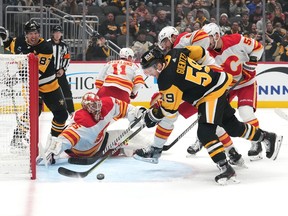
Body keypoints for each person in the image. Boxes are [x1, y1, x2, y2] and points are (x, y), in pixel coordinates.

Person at [133, 47, 283, 184]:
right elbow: (200, 52)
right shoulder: (175, 53)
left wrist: (150, 117)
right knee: (232, 126)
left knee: (205, 133)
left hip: (209, 94)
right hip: (218, 81)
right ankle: (267, 137)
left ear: (158, 66)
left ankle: (226, 169)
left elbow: (169, 110)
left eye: (149, 70)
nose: (148, 74)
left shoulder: (167, 80)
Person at [157, 26, 245, 166]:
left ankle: (229, 151)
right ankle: (231, 151)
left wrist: (197, 57)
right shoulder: (175, 52)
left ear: (172, 36)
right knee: (211, 121)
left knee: (210, 122)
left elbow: (201, 36)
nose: (164, 46)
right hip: (200, 88)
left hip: (208, 87)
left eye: (164, 41)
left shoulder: (180, 42)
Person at [187, 23, 265, 161]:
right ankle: (203, 139)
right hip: (226, 88)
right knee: (210, 115)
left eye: (208, 38)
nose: (206, 42)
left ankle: (256, 143)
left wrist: (251, 62)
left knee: (246, 113)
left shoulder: (236, 40)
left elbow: (258, 47)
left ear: (217, 35)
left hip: (246, 83)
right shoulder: (206, 55)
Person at [6, 20, 68, 149]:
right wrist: (4, 36)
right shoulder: (19, 42)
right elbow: (8, 43)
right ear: (26, 34)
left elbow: (37, 72)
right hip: (32, 87)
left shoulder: (45, 47)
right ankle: (17, 138)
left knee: (62, 115)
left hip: (49, 86)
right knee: (33, 113)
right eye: (30, 33)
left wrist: (18, 78)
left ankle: (54, 142)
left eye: (35, 33)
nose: (33, 36)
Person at [41, 92, 146, 165]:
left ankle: (149, 147)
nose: (97, 109)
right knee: (121, 140)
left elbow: (126, 108)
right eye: (93, 107)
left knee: (129, 135)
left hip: (101, 141)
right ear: (85, 108)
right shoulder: (82, 119)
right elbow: (66, 138)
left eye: (97, 105)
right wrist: (52, 152)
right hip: (83, 151)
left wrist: (138, 112)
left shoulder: (108, 104)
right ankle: (119, 149)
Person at [47, 25, 75, 116]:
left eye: (59, 33)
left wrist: (63, 69)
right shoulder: (47, 44)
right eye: (56, 32)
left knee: (66, 91)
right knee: (47, 92)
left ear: (61, 34)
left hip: (60, 72)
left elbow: (67, 58)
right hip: (49, 73)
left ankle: (71, 111)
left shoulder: (64, 46)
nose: (57, 35)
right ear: (53, 33)